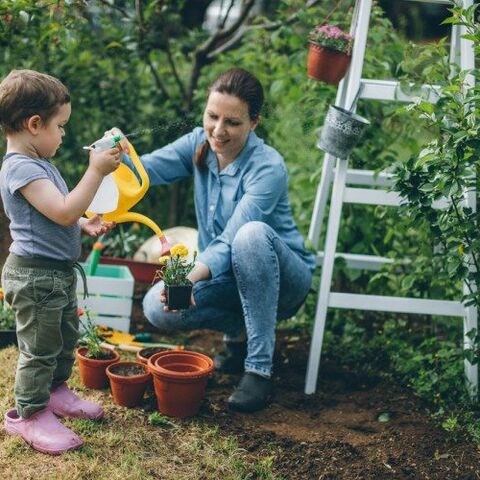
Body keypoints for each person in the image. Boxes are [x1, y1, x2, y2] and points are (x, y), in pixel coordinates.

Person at [111, 68, 315, 412]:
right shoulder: (198, 144)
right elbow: (145, 172)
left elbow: (234, 238)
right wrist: (115, 159)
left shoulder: (267, 167)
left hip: (284, 282)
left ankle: (258, 369)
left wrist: (189, 278)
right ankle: (239, 334)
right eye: (212, 116)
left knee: (250, 236)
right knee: (156, 307)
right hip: (227, 277)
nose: (218, 131)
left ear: (254, 123)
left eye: (232, 123)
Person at [0, 69, 121, 454]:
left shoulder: (38, 161)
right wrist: (96, 172)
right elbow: (63, 211)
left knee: (63, 339)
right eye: (61, 125)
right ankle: (30, 415)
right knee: (38, 349)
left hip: (55, 275)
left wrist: (84, 223)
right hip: (34, 278)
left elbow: (57, 215)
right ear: (34, 124)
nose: (64, 134)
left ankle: (54, 392)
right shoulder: (20, 168)